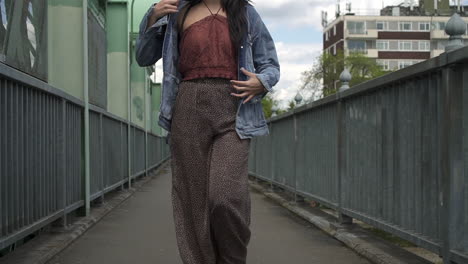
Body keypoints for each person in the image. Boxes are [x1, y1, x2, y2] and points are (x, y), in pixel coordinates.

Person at [135, 0, 280, 263]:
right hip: (188, 107)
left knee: (225, 196)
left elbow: (270, 65)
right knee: (192, 201)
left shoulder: (245, 13)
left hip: (235, 109)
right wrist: (151, 17)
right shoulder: (177, 12)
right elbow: (144, 57)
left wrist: (262, 81)